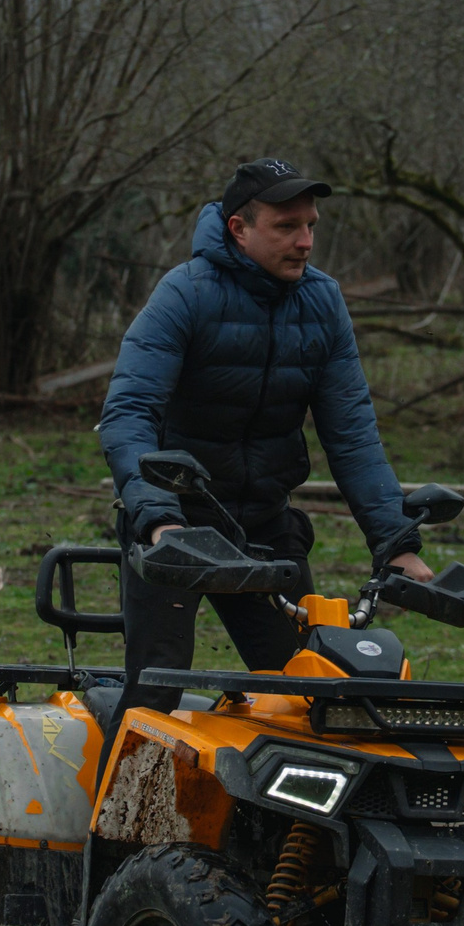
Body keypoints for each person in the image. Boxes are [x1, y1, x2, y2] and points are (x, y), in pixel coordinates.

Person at [98, 158, 434, 691]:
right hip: (178, 525)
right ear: (239, 229)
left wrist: (395, 539)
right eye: (286, 227)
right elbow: (128, 414)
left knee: (310, 693)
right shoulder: (184, 294)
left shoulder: (322, 302)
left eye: (311, 227)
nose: (304, 242)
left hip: (267, 526)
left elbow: (351, 434)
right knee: (155, 696)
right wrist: (160, 519)